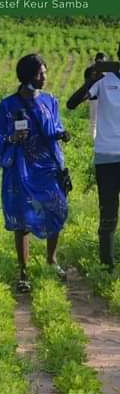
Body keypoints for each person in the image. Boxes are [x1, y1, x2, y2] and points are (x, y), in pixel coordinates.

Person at [0, 54, 71, 292]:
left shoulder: (51, 101)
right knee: (23, 219)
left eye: (45, 72)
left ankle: (51, 260)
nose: (45, 77)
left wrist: (61, 134)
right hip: (21, 168)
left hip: (47, 167)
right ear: (28, 76)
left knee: (56, 210)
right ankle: (23, 271)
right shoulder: (8, 106)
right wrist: (11, 138)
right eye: (40, 73)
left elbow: (54, 127)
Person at [67, 43, 120, 271]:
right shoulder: (104, 81)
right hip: (107, 156)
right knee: (108, 213)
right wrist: (92, 78)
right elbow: (71, 103)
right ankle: (106, 265)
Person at [85, 52, 108, 138]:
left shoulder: (89, 70)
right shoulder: (92, 71)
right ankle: (94, 140)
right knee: (95, 121)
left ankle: (95, 139)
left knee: (95, 122)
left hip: (96, 98)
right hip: (97, 98)